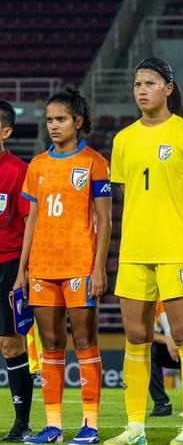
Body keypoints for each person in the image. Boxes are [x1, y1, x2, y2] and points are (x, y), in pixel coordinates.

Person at [105, 58, 183, 445]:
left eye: (150, 83)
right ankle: (135, 428)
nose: (141, 90)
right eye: (137, 84)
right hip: (134, 250)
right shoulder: (124, 139)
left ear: (168, 87)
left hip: (176, 249)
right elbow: (127, 195)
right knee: (135, 336)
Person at [13, 89, 110, 444]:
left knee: (85, 341)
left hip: (80, 264)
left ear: (78, 122)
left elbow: (106, 220)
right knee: (51, 345)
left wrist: (99, 268)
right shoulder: (37, 165)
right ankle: (53, 426)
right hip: (42, 265)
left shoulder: (94, 163)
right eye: (50, 120)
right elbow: (31, 221)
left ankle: (91, 425)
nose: (53, 126)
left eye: (61, 119)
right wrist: (23, 270)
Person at [0, 100, 33, 443]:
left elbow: (28, 223)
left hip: (7, 265)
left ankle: (21, 423)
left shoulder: (18, 171)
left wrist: (24, 272)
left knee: (11, 345)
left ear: (5, 131)